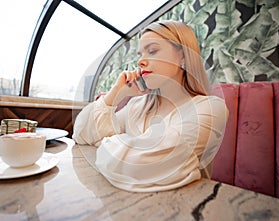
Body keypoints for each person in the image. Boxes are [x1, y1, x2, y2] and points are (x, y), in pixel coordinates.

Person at [73, 20, 228, 192]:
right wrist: (115, 94)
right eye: (140, 54)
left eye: (152, 51)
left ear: (183, 56)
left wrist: (104, 140)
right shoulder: (136, 106)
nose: (141, 62)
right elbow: (82, 134)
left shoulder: (211, 109)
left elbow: (140, 164)